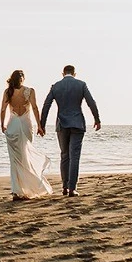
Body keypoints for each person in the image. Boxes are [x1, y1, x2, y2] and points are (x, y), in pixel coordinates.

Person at [39, 65, 101, 197]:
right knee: (75, 156)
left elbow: (46, 105)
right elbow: (91, 102)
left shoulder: (56, 86)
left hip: (62, 124)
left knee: (64, 155)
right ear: (74, 73)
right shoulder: (81, 85)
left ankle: (65, 187)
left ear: (63, 74)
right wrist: (97, 119)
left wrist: (42, 124)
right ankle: (72, 189)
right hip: (77, 123)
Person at [0, 70, 53, 201]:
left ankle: (17, 191)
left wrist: (2, 124)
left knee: (15, 160)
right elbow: (35, 108)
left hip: (12, 125)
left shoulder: (8, 92)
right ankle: (26, 188)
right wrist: (39, 126)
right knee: (25, 156)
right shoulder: (29, 91)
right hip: (25, 124)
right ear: (22, 79)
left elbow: (2, 109)